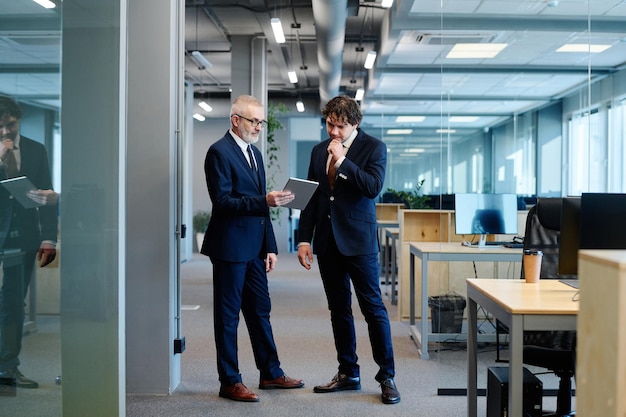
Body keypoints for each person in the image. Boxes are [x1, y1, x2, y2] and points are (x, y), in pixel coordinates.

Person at [296, 95, 400, 405]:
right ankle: (348, 373)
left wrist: (342, 160)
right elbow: (311, 198)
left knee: (373, 309)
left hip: (359, 242)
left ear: (354, 124)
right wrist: (304, 239)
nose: (333, 132)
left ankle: (387, 377)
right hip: (327, 242)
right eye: (330, 124)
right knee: (338, 309)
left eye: (340, 127)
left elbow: (372, 187)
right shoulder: (317, 151)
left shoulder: (374, 148)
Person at [200, 95, 303, 402]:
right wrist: (265, 201)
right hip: (229, 247)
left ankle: (270, 372)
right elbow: (222, 203)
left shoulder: (255, 154)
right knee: (228, 317)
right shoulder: (218, 152)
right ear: (235, 120)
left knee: (261, 312)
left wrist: (269, 246)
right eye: (253, 121)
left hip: (255, 249)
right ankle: (229, 380)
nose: (258, 126)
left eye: (261, 121)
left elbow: (262, 206)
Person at [0, 95, 58, 388]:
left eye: (10, 124)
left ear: (19, 119)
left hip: (23, 238)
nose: (5, 132)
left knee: (13, 303)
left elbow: (47, 195)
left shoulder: (36, 150)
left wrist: (49, 238)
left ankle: (7, 368)